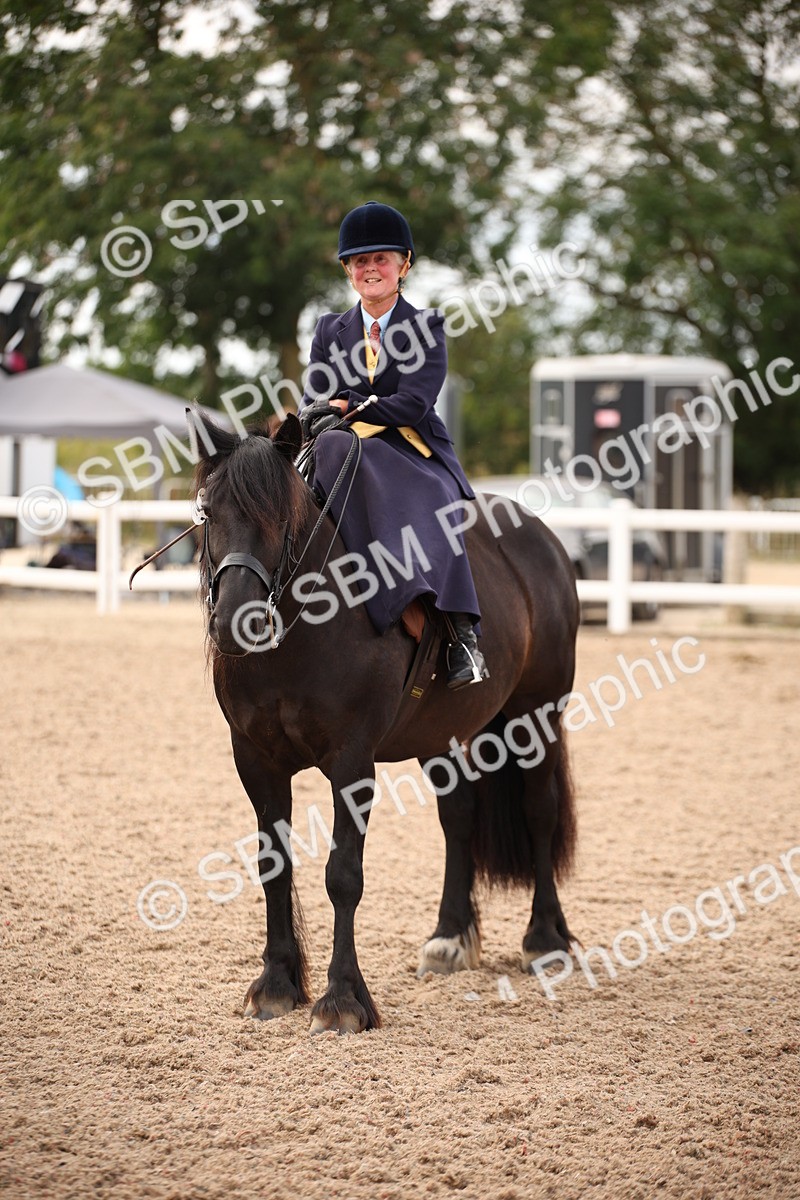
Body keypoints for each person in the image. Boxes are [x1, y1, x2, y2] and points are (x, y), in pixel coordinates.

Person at [298, 201, 488, 690]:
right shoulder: (327, 330)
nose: (370, 269)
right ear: (347, 270)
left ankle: (463, 634)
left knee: (438, 507)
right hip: (341, 448)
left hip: (409, 448)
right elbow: (313, 397)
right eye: (359, 261)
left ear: (404, 264)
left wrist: (347, 406)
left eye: (380, 259)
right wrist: (326, 412)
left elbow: (412, 404)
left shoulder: (427, 327)